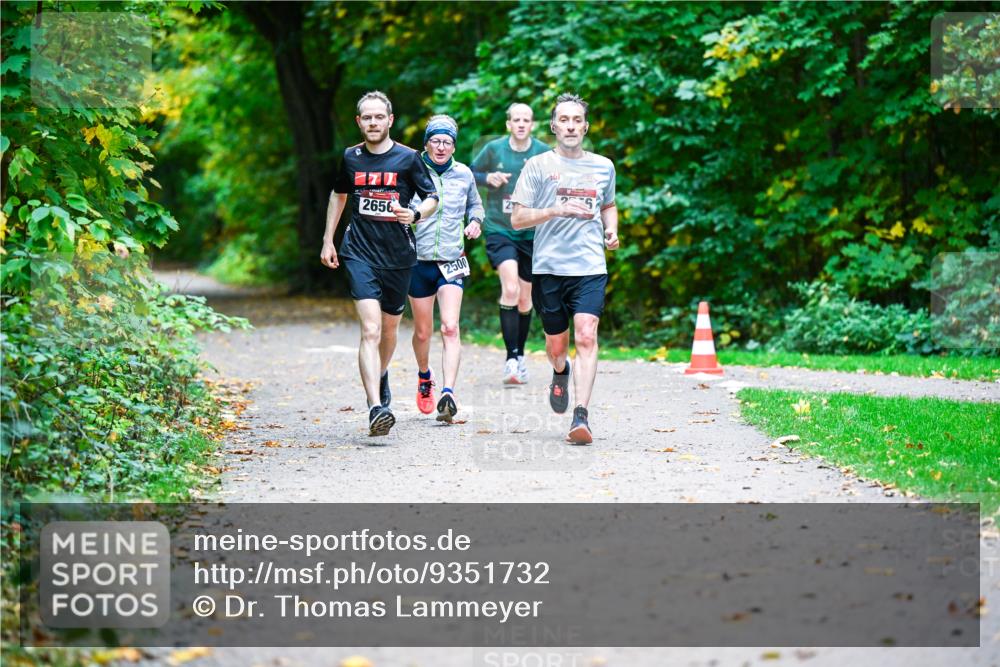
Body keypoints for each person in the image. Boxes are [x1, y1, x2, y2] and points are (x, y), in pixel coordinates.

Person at [321, 91, 439, 437]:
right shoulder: (351, 158)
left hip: (399, 256)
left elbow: (432, 198)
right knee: (370, 330)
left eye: (379, 117)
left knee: (389, 331)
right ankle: (376, 407)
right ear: (359, 122)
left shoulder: (408, 159)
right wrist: (329, 239)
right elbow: (338, 194)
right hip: (359, 251)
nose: (373, 123)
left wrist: (415, 213)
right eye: (366, 118)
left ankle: (382, 372)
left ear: (390, 120)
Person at [510, 93, 619, 445]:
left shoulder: (603, 166)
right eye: (564, 120)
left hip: (589, 265)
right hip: (549, 268)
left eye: (577, 120)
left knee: (586, 334)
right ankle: (561, 371)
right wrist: (555, 209)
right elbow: (517, 218)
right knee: (557, 347)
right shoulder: (538, 166)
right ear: (554, 126)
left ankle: (581, 415)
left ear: (585, 126)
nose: (571, 126)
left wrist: (611, 229)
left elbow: (609, 204)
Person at [407, 115, 484, 422]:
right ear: (426, 143)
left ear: (454, 146)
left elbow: (476, 205)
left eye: (447, 142)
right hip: (418, 261)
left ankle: (448, 392)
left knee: (450, 327)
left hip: (451, 260)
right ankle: (425, 377)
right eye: (435, 141)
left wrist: (476, 222)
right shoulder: (411, 169)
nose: (441, 147)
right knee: (423, 332)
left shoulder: (464, 174)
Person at [470, 103, 550, 385]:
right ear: (508, 124)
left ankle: (521, 356)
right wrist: (487, 177)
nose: (520, 124)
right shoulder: (494, 149)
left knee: (526, 299)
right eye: (516, 120)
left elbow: (558, 181)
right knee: (511, 288)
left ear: (532, 124)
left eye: (525, 120)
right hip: (499, 228)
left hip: (530, 231)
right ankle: (511, 359)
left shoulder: (542, 152)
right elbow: (470, 173)